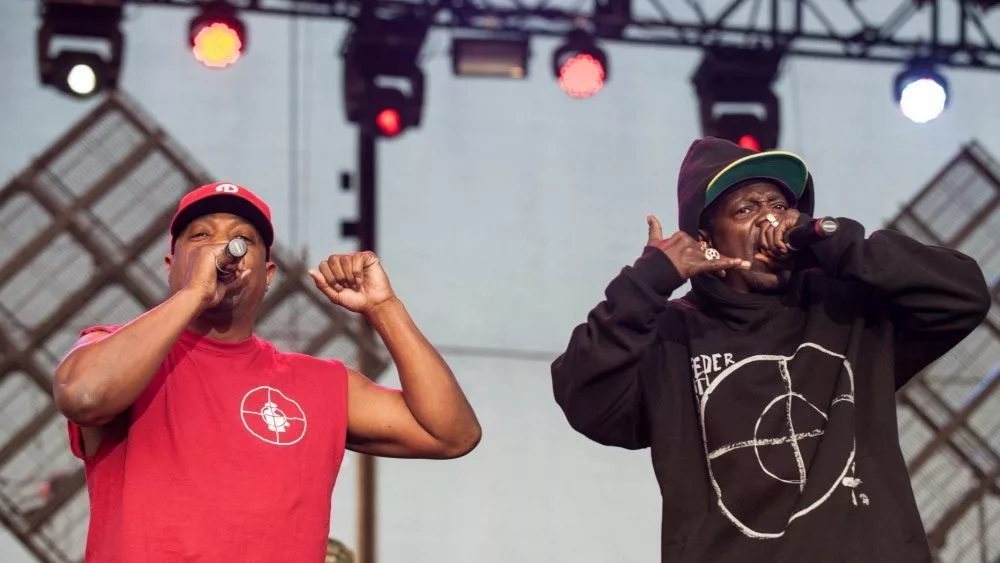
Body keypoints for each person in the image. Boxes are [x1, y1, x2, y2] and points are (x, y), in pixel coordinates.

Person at [551, 137, 990, 563]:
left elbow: (963, 296)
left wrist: (835, 241)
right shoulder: (672, 335)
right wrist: (648, 282)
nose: (770, 220)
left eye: (779, 206)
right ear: (706, 239)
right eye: (746, 209)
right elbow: (586, 400)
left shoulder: (847, 307)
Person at [53, 182, 482, 562]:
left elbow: (453, 433)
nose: (222, 248)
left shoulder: (318, 383)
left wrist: (384, 309)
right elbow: (84, 395)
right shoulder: (116, 350)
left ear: (268, 273)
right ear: (170, 265)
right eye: (201, 237)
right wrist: (196, 293)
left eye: (243, 239)